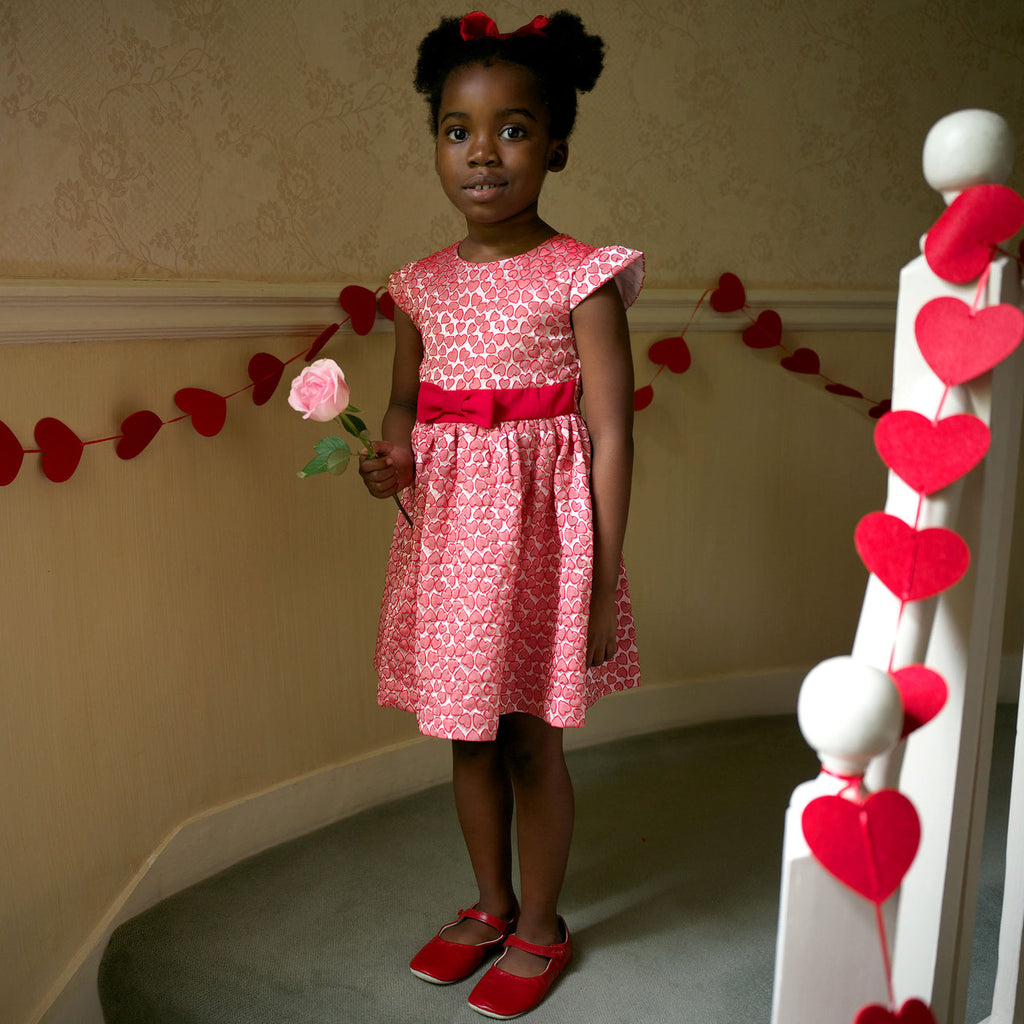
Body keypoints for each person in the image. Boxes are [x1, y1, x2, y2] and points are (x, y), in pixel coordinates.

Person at [359, 9, 642, 1018]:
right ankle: (488, 902)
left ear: (555, 144)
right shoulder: (419, 286)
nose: (483, 152)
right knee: (466, 738)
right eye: (457, 129)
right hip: (450, 548)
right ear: (435, 142)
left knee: (530, 743)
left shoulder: (582, 277)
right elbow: (404, 400)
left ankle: (542, 923)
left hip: (545, 549)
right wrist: (390, 456)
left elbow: (610, 433)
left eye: (513, 129)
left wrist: (604, 578)